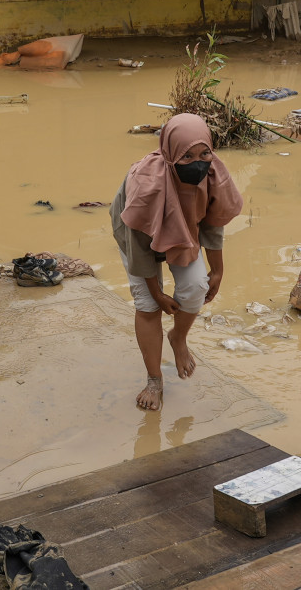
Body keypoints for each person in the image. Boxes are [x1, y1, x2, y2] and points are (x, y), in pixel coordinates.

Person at [110, 114, 244, 411]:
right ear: (171, 154)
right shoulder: (146, 184)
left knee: (197, 285)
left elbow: (214, 218)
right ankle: (154, 381)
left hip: (184, 228)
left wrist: (219, 269)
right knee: (147, 305)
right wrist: (157, 293)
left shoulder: (211, 173)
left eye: (204, 153)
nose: (198, 162)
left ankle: (178, 338)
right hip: (136, 234)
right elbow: (138, 244)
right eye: (187, 156)